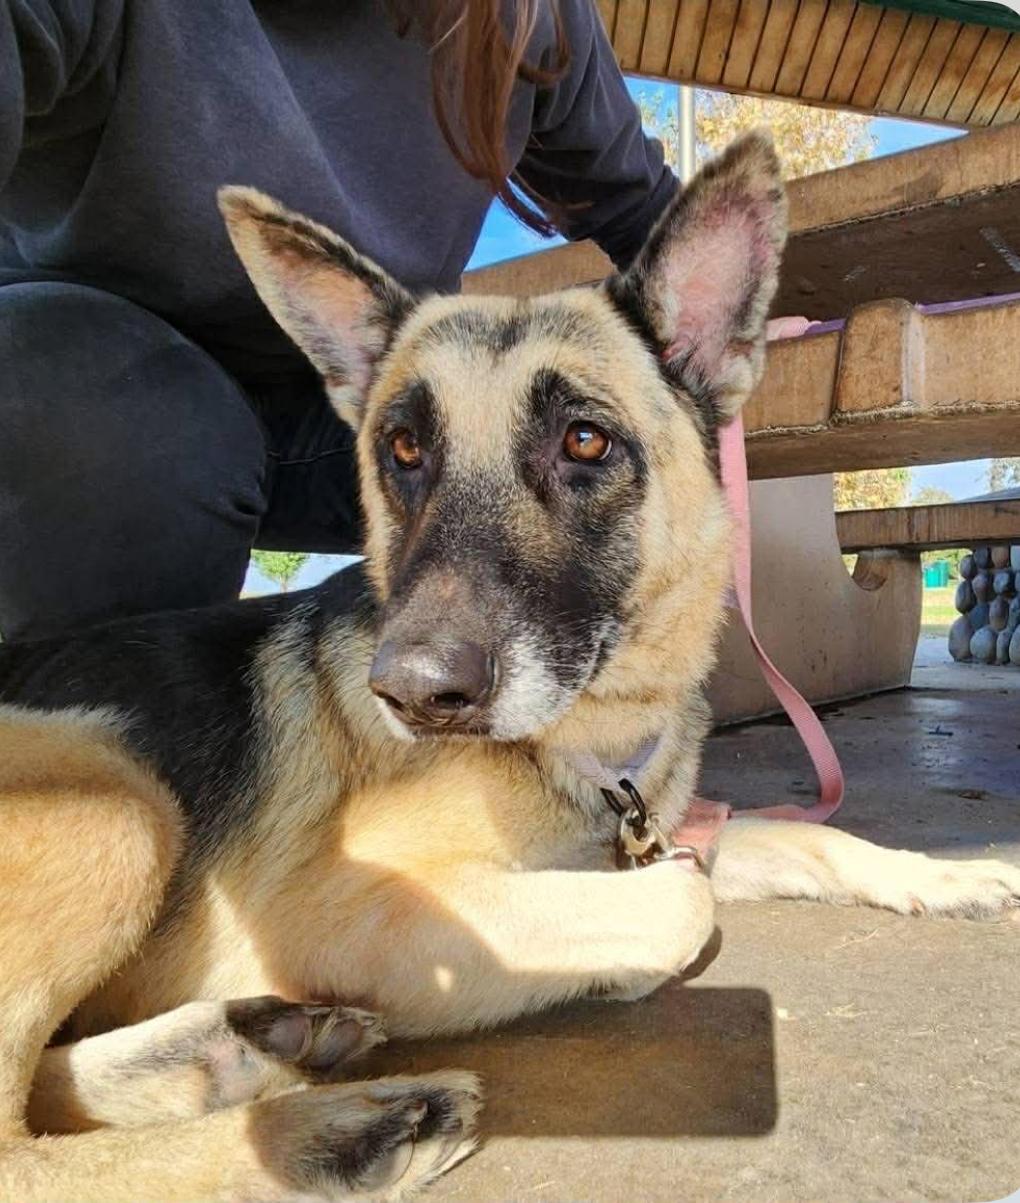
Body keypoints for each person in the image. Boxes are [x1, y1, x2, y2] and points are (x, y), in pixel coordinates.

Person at [0, 0, 678, 643]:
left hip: (355, 404)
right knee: (123, 443)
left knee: (554, 452)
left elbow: (646, 216)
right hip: (88, 380)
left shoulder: (528, 16)